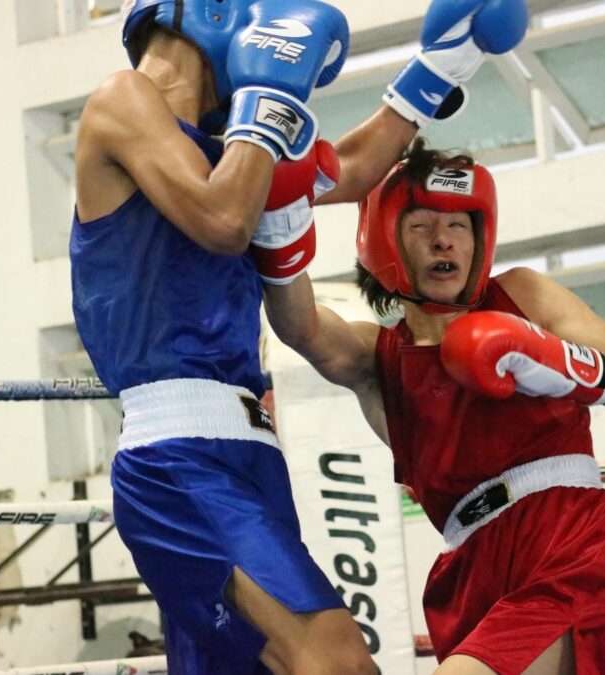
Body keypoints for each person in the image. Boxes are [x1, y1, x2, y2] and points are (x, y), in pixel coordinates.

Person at [69, 0, 527, 672]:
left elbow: (353, 166)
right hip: (179, 457)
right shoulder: (124, 99)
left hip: (250, 454)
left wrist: (444, 63)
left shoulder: (236, 153)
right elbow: (223, 222)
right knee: (337, 662)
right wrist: (267, 100)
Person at [261, 139, 605, 675]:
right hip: (467, 567)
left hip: (571, 540)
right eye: (422, 225)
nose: (443, 239)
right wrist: (278, 222)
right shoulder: (378, 357)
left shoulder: (524, 297)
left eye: (459, 225)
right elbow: (301, 327)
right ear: (386, 238)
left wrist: (560, 363)